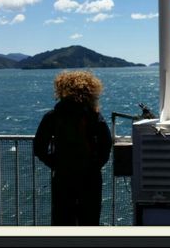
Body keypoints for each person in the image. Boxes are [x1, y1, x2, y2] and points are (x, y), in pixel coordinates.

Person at [33, 70, 112, 226]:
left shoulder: (53, 115)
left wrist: (56, 163)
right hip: (90, 177)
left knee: (62, 220)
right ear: (91, 91)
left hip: (63, 176)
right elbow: (106, 145)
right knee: (89, 221)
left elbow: (39, 148)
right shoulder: (94, 116)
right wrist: (94, 165)